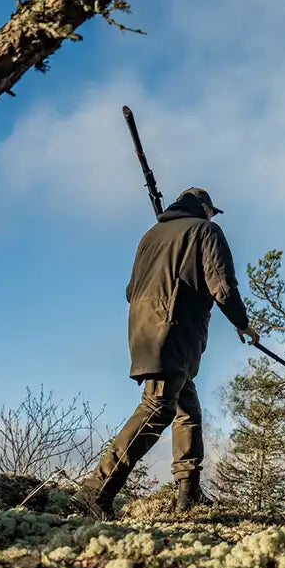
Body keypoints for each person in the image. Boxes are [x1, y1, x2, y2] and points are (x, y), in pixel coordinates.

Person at [76, 187, 259, 517]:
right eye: (212, 211)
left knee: (186, 406)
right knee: (157, 406)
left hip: (145, 328)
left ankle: (188, 492)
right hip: (173, 328)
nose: (213, 216)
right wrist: (242, 323)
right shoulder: (206, 230)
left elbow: (131, 289)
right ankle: (96, 490)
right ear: (203, 207)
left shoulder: (150, 236)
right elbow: (222, 284)